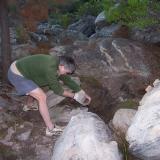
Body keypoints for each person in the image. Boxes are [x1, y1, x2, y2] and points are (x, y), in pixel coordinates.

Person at [7, 54, 91, 136]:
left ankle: (28, 105)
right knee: (42, 96)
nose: (66, 74)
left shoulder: (57, 64)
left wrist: (82, 93)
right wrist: (75, 96)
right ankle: (51, 129)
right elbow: (58, 90)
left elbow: (67, 80)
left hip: (24, 70)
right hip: (16, 73)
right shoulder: (50, 68)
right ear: (62, 67)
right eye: (66, 72)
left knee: (36, 87)